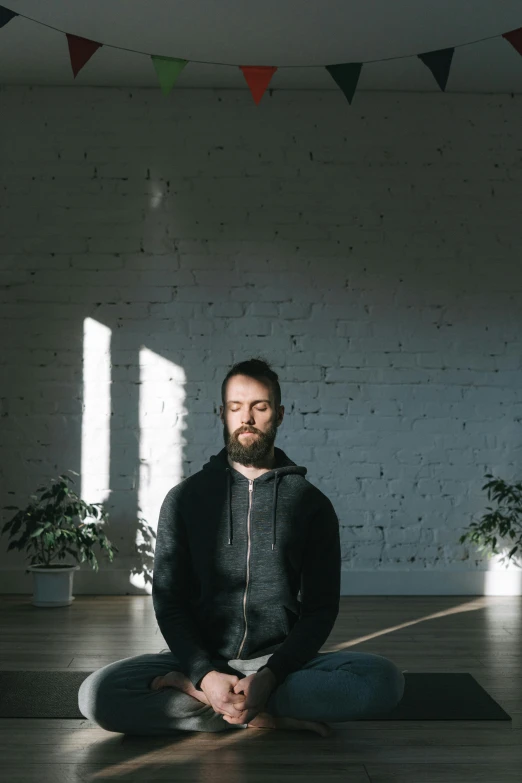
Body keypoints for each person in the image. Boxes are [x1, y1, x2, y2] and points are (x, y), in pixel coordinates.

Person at [79, 357, 405, 736]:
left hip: (281, 666)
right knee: (96, 695)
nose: (246, 418)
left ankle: (227, 707)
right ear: (222, 414)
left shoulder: (311, 505)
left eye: (259, 407)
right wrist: (204, 676)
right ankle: (255, 712)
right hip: (200, 662)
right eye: (236, 407)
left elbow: (320, 610)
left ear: (279, 414)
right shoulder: (185, 499)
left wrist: (271, 675)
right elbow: (169, 603)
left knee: (383, 681)